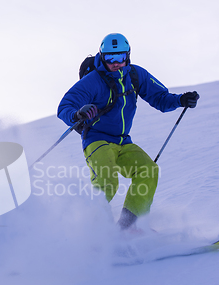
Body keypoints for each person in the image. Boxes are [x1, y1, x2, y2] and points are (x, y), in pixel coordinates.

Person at [57, 33, 199, 230]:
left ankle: (130, 227)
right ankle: (91, 231)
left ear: (128, 55)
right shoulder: (93, 81)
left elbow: (160, 98)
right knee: (107, 180)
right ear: (102, 57)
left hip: (123, 141)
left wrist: (180, 100)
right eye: (110, 58)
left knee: (148, 170)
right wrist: (76, 114)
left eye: (120, 57)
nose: (116, 63)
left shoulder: (135, 75)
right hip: (97, 141)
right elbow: (65, 105)